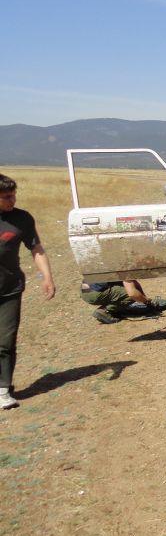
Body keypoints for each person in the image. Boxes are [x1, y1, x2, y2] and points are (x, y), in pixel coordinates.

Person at [0, 173, 56, 409]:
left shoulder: (22, 219)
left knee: (5, 340)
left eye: (14, 195)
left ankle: (3, 389)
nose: (12, 200)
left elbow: (36, 249)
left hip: (9, 289)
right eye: (6, 197)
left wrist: (47, 276)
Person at [80, 279, 166, 324]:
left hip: (85, 291)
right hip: (94, 293)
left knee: (130, 291)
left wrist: (144, 297)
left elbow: (134, 283)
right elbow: (133, 294)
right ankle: (105, 311)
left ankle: (110, 308)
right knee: (130, 295)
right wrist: (146, 302)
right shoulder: (124, 264)